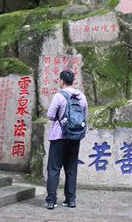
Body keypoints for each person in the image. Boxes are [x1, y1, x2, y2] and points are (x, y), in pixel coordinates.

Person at [45, 70, 88, 209]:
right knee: (71, 169)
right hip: (75, 137)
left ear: (62, 81)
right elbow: (85, 116)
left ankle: (51, 201)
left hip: (59, 137)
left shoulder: (59, 96)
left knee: (54, 169)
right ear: (73, 81)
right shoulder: (81, 96)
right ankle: (71, 200)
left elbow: (50, 115)